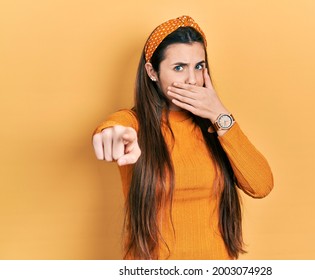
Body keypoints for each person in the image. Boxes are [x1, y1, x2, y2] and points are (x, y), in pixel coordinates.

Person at [92, 15, 274, 260]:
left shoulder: (218, 126)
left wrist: (220, 115)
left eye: (199, 66)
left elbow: (261, 185)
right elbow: (114, 127)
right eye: (179, 67)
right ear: (152, 72)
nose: (191, 79)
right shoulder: (133, 123)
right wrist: (112, 135)